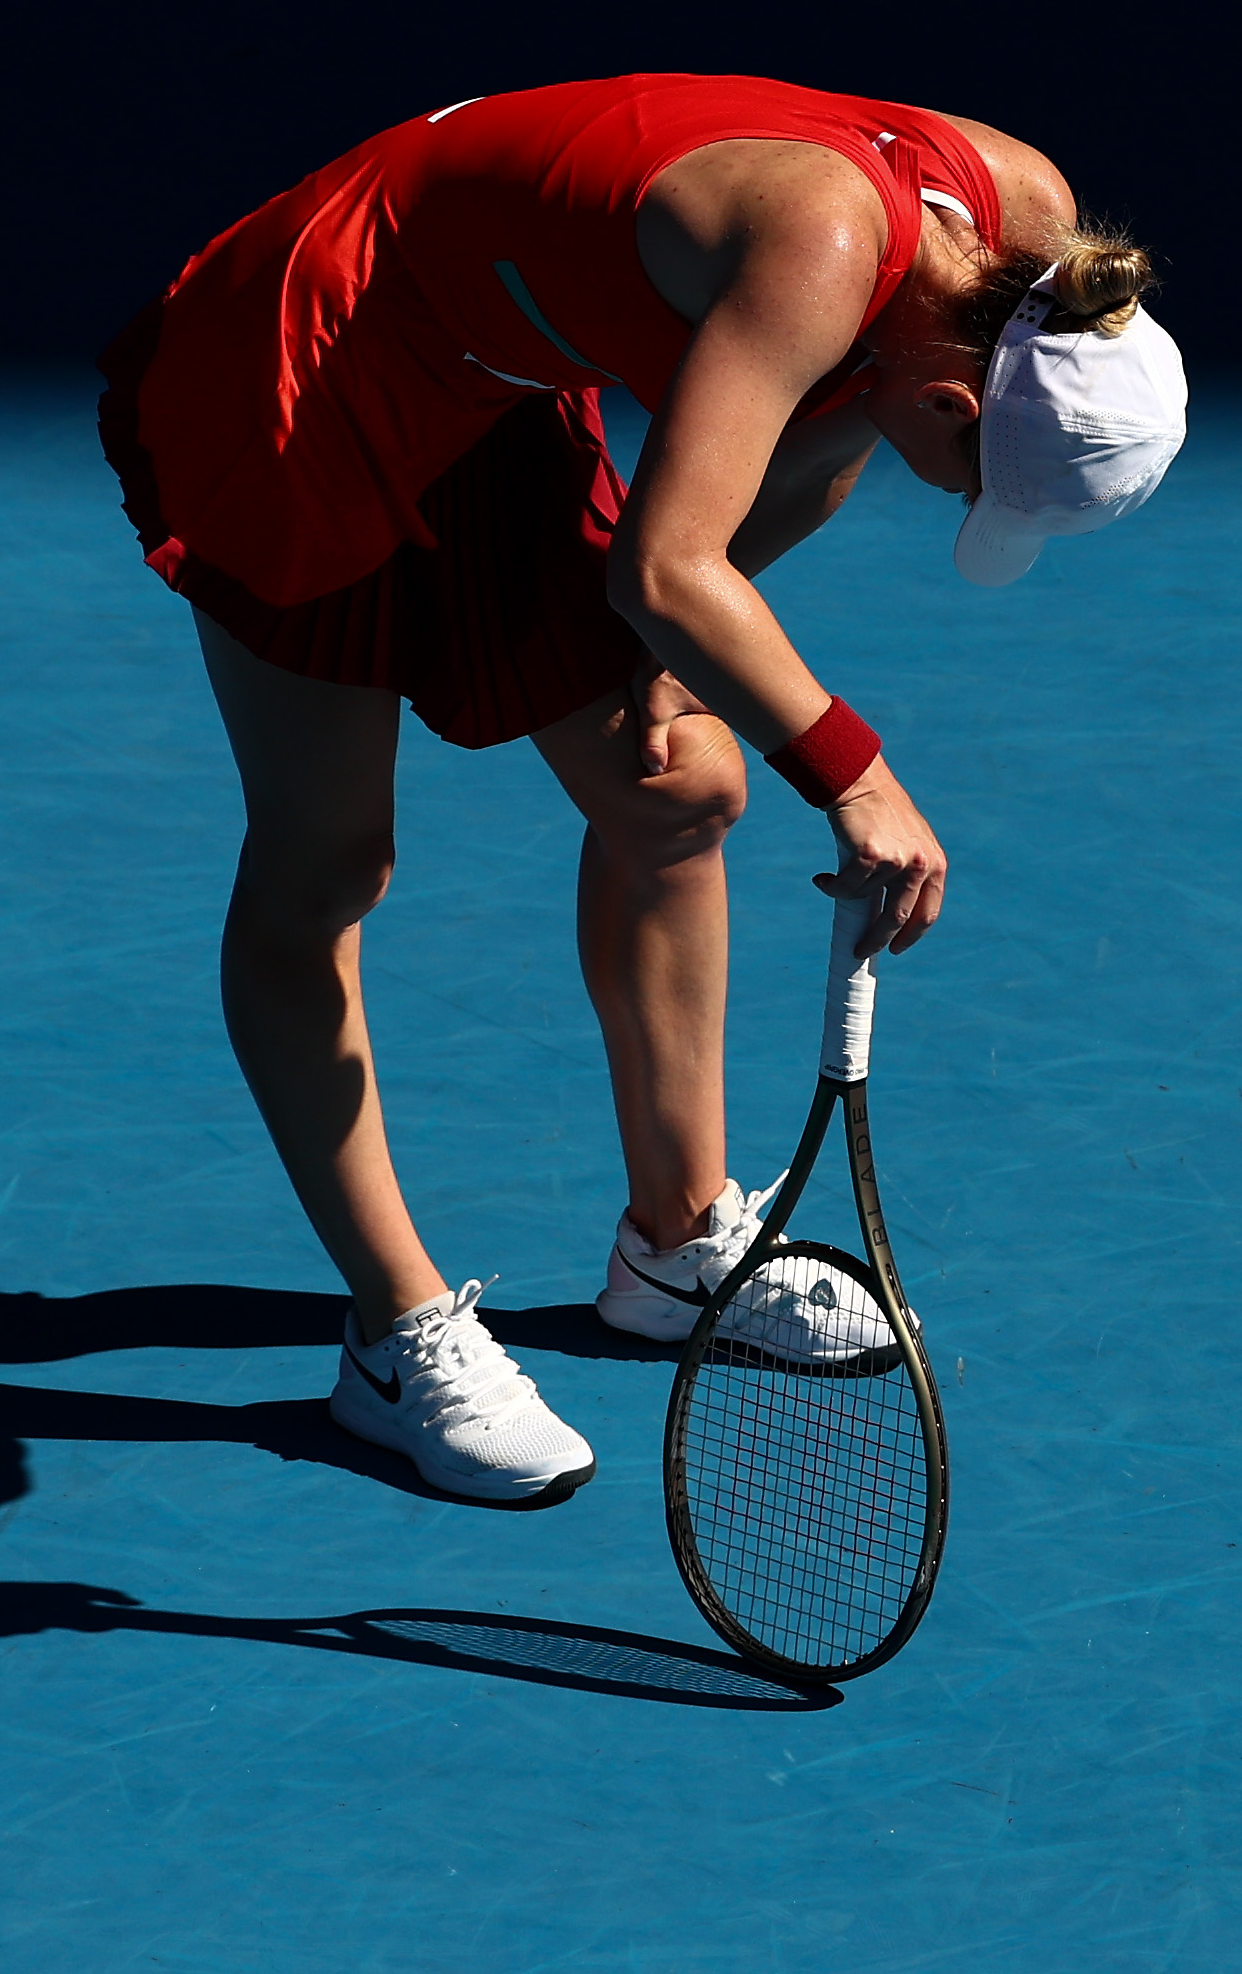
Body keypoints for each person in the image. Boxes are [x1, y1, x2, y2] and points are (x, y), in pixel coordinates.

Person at [96, 75, 1186, 1503]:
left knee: (674, 787)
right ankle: (393, 1335)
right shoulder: (826, 256)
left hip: (486, 368)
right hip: (313, 359)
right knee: (327, 860)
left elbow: (812, 461)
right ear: (949, 397)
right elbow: (670, 568)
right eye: (964, 482)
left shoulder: (1007, 242)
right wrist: (855, 777)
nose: (952, 504)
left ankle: (673, 1253)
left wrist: (684, 676)